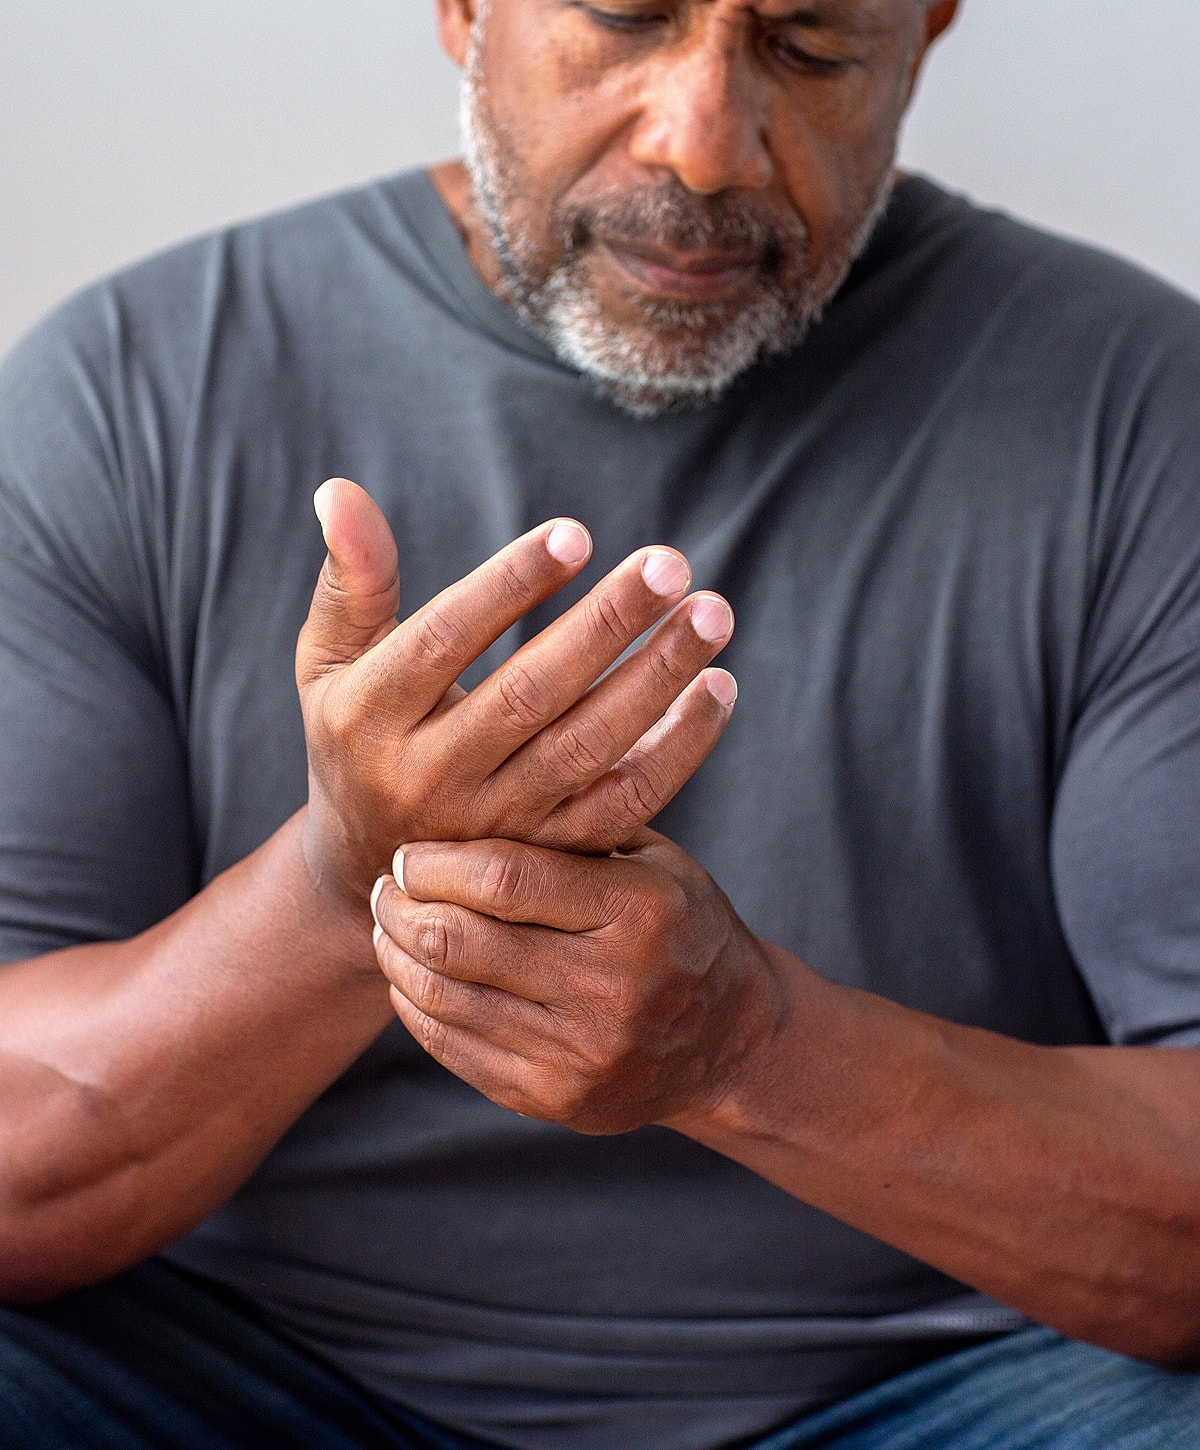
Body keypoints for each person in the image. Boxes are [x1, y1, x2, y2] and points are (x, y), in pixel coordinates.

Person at [1, 0, 1199, 1446]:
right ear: (462, 10)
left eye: (808, 44)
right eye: (625, 17)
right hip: (244, 1374)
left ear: (931, 26)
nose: (701, 146)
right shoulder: (125, 395)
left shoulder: (1142, 416)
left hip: (950, 1391)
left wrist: (752, 1049)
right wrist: (342, 880)